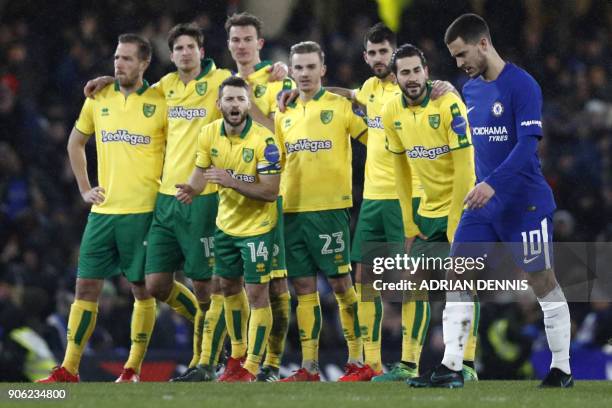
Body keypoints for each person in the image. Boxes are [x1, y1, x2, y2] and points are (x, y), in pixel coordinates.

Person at [84, 23, 286, 382]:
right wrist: (108, 80)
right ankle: (208, 332)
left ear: (201, 50)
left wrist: (277, 71)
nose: (184, 53)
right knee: (156, 284)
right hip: (166, 198)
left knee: (208, 285)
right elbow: (134, 88)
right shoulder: (166, 87)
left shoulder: (221, 79)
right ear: (172, 53)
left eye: (190, 47)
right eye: (178, 48)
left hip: (205, 197)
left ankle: (203, 361)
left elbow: (252, 77)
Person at [408, 13, 573, 388]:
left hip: (524, 203)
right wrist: (450, 90)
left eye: (462, 53)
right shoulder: (469, 89)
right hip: (483, 204)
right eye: (453, 57)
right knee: (457, 272)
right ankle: (451, 366)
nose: (459, 62)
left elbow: (527, 144)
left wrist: (492, 184)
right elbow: (477, 129)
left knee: (541, 280)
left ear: (483, 43)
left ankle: (562, 368)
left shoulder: (523, 85)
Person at [38, 34, 166, 383]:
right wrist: (84, 188)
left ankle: (132, 369)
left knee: (141, 290)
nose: (118, 64)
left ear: (144, 64)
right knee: (85, 289)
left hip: (142, 212)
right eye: (116, 57)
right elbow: (76, 141)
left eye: (127, 59)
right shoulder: (99, 98)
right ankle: (69, 368)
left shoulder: (161, 100)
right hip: (103, 212)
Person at [382, 43, 478, 384]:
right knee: (414, 284)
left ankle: (465, 363)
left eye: (416, 70)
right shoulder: (392, 112)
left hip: (464, 206)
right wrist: (409, 221)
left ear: (426, 70)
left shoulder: (448, 103)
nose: (412, 78)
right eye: (404, 72)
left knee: (461, 283)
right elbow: (401, 172)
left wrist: (457, 222)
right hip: (428, 211)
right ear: (395, 78)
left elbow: (466, 167)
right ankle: (409, 363)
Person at [176, 76, 282, 382]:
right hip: (226, 226)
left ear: (248, 103)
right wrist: (192, 190)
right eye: (229, 99)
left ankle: (251, 366)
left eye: (240, 99)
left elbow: (270, 191)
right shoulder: (208, 134)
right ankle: (236, 357)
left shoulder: (265, 141)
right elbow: (201, 174)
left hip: (258, 227)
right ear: (219, 104)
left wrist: (232, 180)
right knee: (229, 288)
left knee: (257, 293)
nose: (234, 105)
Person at [274, 41, 368, 382]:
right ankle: (309, 366)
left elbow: (374, 140)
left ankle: (358, 359)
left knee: (342, 285)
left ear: (322, 70)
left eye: (311, 67)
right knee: (303, 291)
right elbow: (279, 163)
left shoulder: (339, 107)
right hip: (293, 212)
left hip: (330, 210)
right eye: (298, 67)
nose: (304, 74)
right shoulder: (282, 113)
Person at [224, 12, 293, 382]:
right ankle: (238, 359)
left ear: (260, 44)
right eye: (235, 40)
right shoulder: (224, 83)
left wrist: (251, 107)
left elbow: (281, 139)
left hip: (267, 195)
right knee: (231, 283)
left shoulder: (277, 80)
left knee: (275, 285)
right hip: (230, 199)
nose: (241, 45)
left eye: (247, 39)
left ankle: (270, 364)